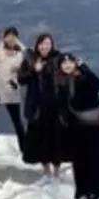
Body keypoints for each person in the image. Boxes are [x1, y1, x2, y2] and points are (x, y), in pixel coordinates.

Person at [58, 53, 99, 199]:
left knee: (96, 159)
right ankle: (81, 191)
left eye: (70, 62)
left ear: (75, 63)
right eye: (63, 63)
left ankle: (95, 192)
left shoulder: (84, 78)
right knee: (79, 161)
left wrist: (84, 67)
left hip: (95, 124)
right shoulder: (62, 83)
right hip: (76, 126)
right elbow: (63, 106)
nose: (67, 65)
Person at [17, 32, 64, 178]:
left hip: (55, 106)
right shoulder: (30, 59)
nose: (45, 47)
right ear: (38, 45)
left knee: (56, 138)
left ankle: (57, 167)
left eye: (48, 44)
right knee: (40, 138)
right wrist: (34, 70)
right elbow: (21, 79)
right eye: (42, 44)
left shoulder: (58, 59)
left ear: (52, 45)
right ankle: (45, 167)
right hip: (36, 106)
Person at [0, 26, 26, 155]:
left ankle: (26, 150)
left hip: (11, 91)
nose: (11, 39)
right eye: (9, 36)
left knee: (18, 123)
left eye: (14, 36)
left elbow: (25, 70)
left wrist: (17, 83)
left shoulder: (20, 54)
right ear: (4, 37)